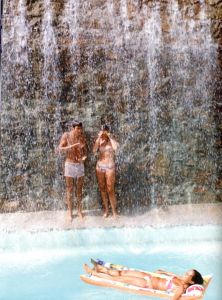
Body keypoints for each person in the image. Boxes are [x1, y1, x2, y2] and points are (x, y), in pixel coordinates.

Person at [83, 261, 204, 300]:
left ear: (192, 282)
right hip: (148, 276)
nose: (185, 273)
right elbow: (173, 275)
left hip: (146, 283)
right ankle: (101, 268)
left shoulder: (181, 288)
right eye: (187, 271)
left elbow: (173, 299)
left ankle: (93, 273)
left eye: (188, 274)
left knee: (118, 278)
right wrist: (164, 272)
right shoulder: (181, 279)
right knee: (122, 272)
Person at [58, 120, 87, 221]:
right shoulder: (66, 135)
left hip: (79, 164)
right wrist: (73, 146)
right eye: (77, 128)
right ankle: (70, 212)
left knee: (79, 190)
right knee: (69, 189)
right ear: (73, 128)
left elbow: (84, 151)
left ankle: (79, 211)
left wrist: (84, 157)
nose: (79, 130)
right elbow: (60, 148)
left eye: (80, 128)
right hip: (69, 164)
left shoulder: (82, 136)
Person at [93, 125, 119, 218]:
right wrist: (99, 137)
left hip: (110, 166)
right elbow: (94, 150)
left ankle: (114, 211)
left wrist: (110, 136)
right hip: (100, 166)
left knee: (110, 189)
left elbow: (116, 148)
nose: (103, 133)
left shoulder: (112, 141)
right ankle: (106, 210)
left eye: (105, 131)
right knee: (102, 188)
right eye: (102, 131)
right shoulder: (99, 140)